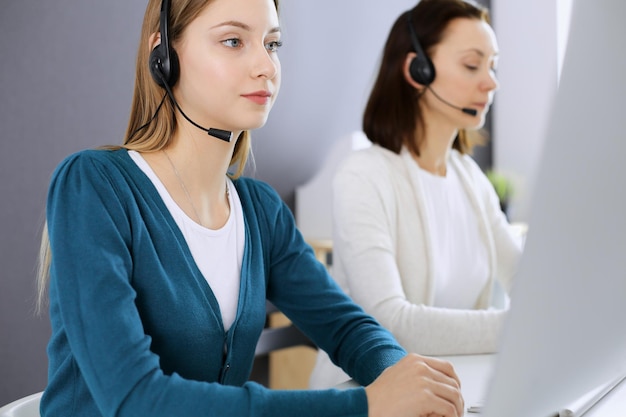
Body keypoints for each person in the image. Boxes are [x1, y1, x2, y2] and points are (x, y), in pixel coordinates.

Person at [35, 0, 466, 416]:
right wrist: (368, 406)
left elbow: (348, 328)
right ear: (163, 56)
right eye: (233, 41)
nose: (266, 66)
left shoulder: (259, 211)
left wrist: (409, 382)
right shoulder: (93, 186)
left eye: (272, 44)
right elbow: (135, 400)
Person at [310, 0, 524, 389]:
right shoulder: (364, 175)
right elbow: (391, 322)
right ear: (417, 70)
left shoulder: (470, 179)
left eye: (492, 66)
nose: (491, 82)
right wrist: (518, 326)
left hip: (450, 385)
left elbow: (528, 284)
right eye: (472, 65)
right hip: (367, 391)